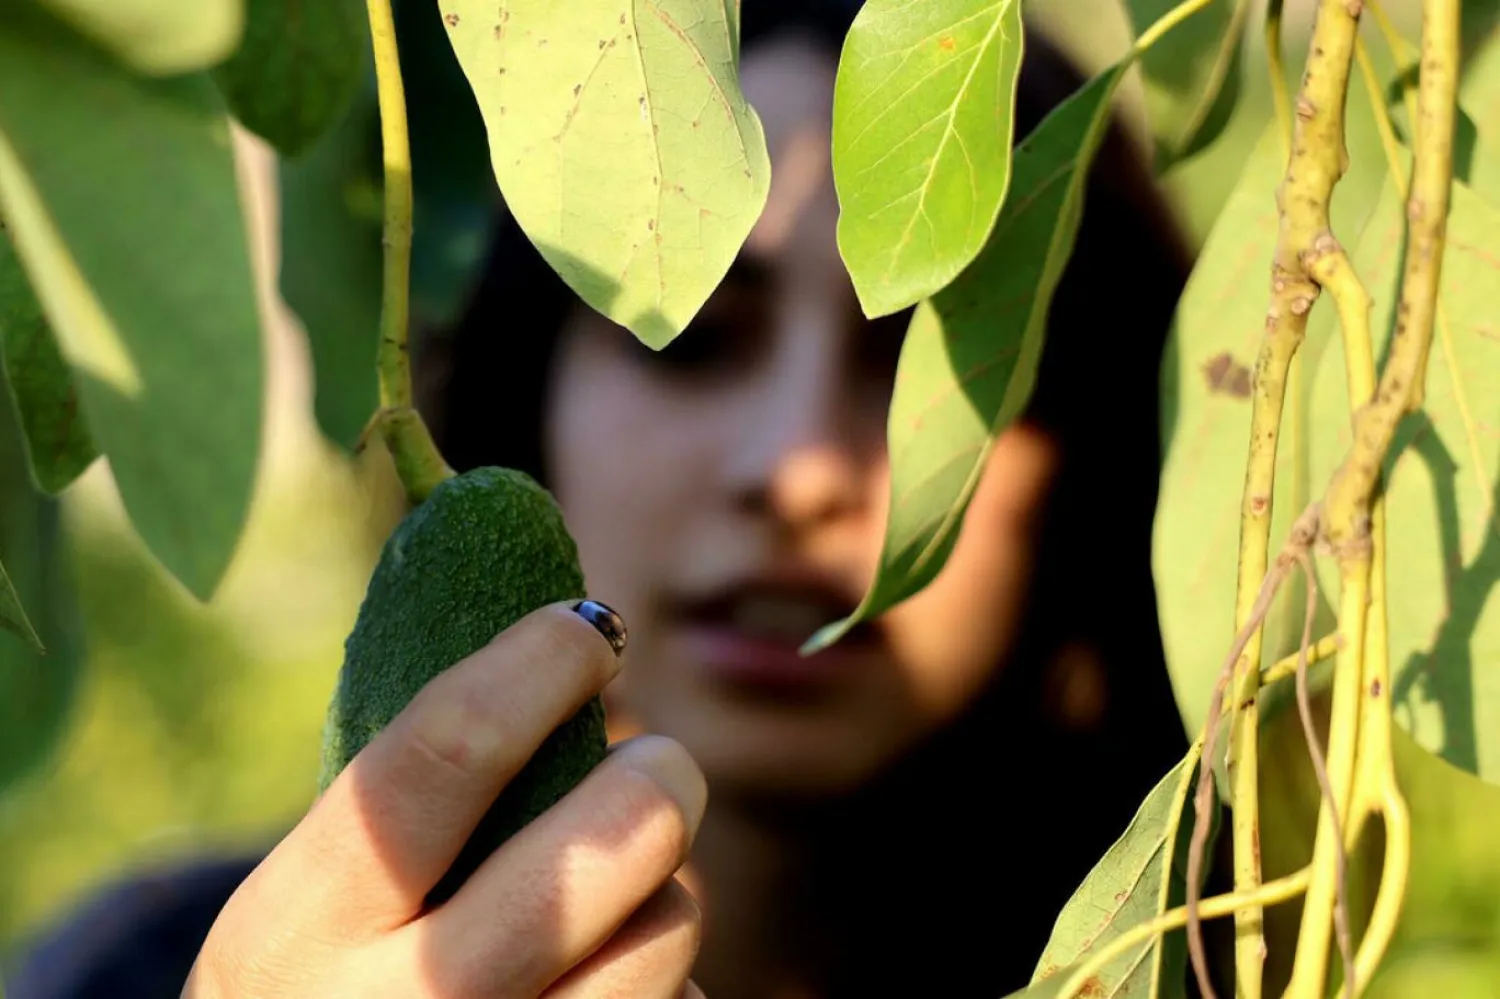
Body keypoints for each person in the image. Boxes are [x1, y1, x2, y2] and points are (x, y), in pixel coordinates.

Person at [7, 4, 1196, 997]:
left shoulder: (1261, 947)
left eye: (930, 369)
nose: (798, 472)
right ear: (534, 393)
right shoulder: (135, 968)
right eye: (695, 343)